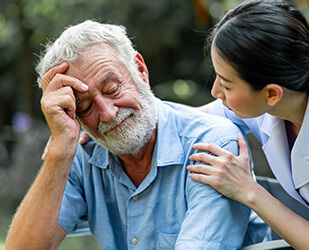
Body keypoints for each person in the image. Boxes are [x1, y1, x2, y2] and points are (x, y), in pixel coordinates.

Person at [5, 20, 254, 249]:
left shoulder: (212, 146)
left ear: (140, 70)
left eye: (112, 89)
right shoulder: (80, 154)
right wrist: (60, 149)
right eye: (85, 107)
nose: (108, 114)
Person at [185, 0, 309, 249]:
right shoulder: (277, 100)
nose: (215, 90)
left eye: (227, 84)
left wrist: (248, 191)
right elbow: (192, 118)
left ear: (272, 94)